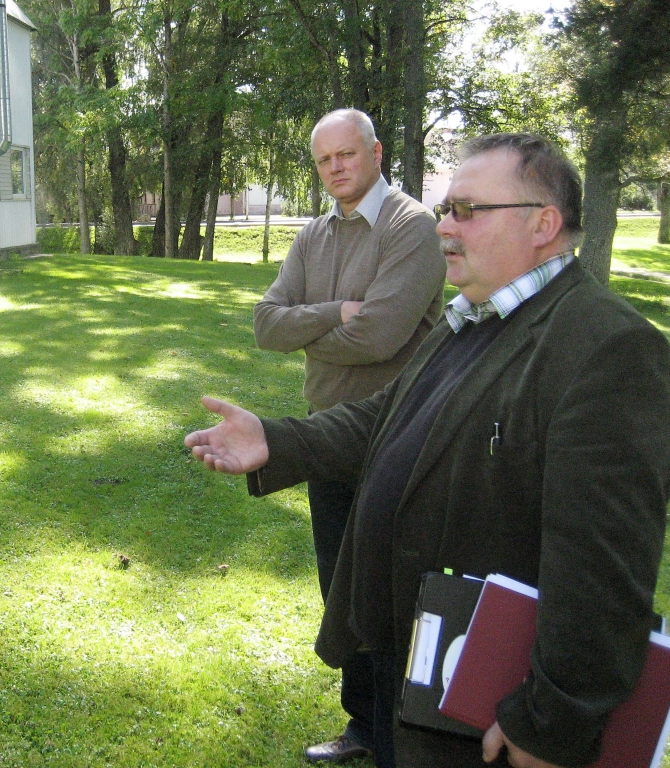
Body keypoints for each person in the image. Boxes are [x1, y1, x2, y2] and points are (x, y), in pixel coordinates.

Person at [186, 133, 670, 767]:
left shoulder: (608, 349)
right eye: (446, 208)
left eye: (467, 210)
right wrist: (278, 440)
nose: (445, 226)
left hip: (495, 701)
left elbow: (602, 572)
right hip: (420, 664)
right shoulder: (474, 315)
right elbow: (386, 420)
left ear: (543, 224)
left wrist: (552, 724)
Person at [253, 108, 445, 767]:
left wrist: (308, 330)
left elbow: (383, 335)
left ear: (375, 152)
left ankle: (403, 739)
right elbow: (265, 324)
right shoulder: (314, 235)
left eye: (347, 154)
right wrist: (333, 313)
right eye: (324, 159)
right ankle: (362, 727)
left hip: (399, 442)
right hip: (325, 441)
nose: (336, 166)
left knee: (394, 599)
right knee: (343, 593)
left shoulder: (412, 227)